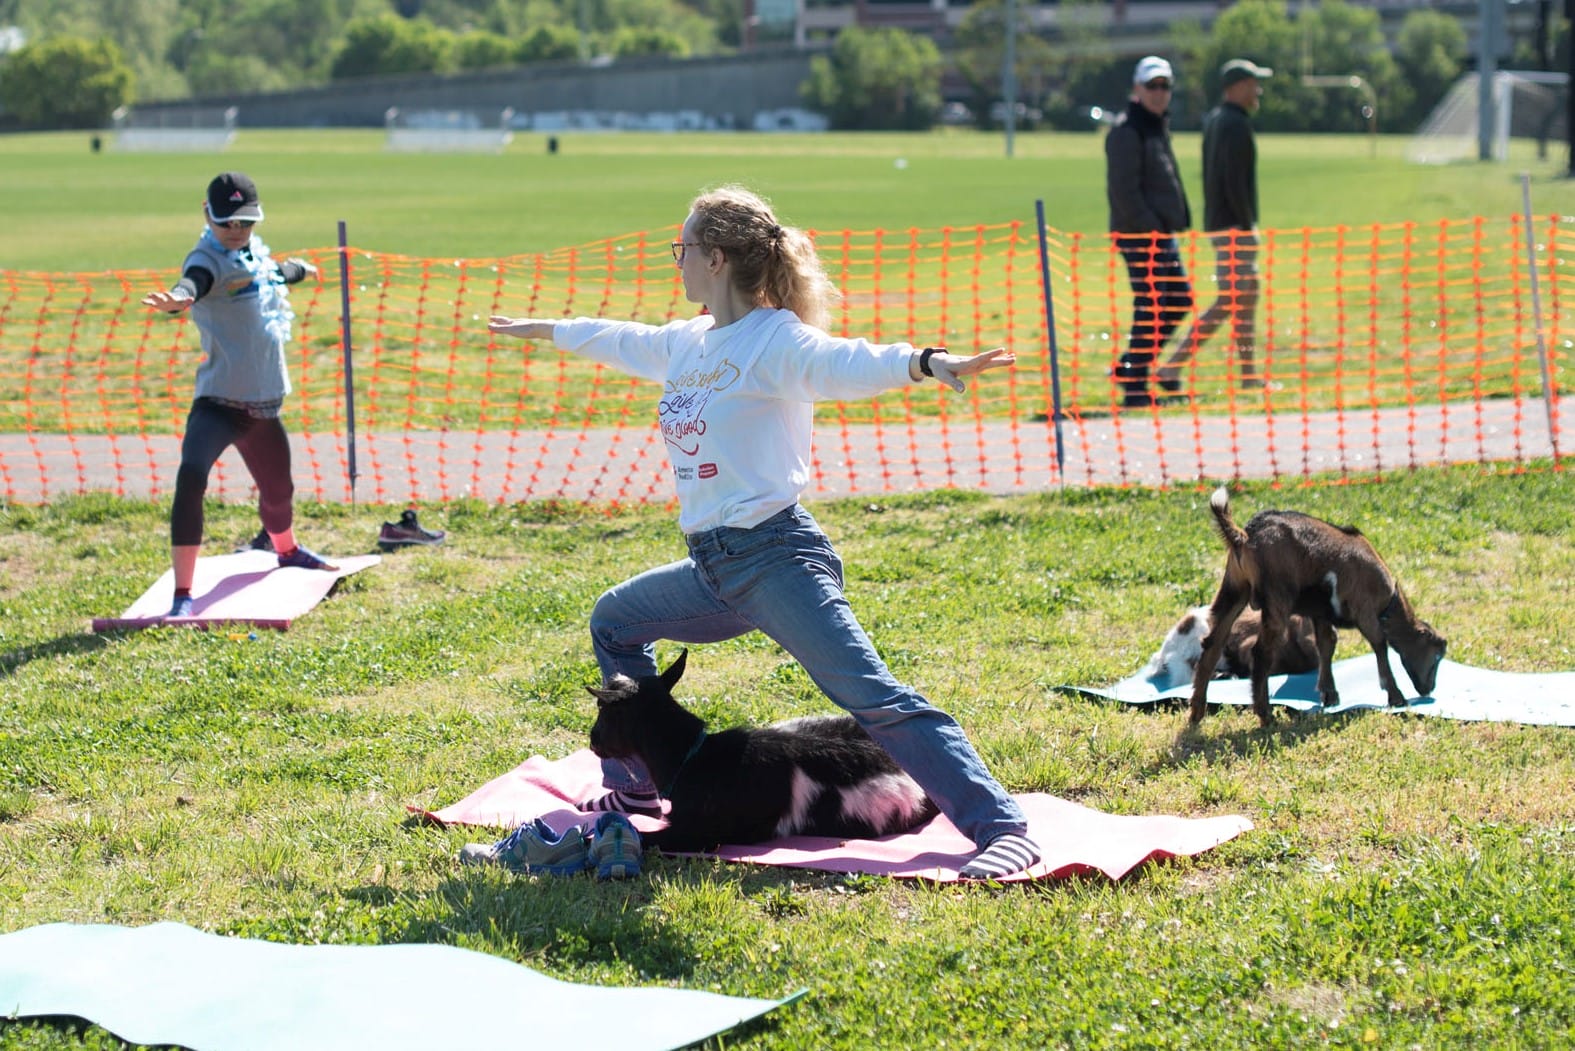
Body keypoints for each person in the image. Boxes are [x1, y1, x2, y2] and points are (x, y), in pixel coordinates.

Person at [487, 186, 1041, 881]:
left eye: (680, 248)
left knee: (873, 697)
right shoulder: (691, 342)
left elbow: (846, 361)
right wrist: (544, 328)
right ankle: (635, 784)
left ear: (714, 258)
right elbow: (620, 338)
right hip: (713, 568)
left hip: (776, 560)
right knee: (615, 623)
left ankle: (1000, 823)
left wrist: (926, 361)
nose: (676, 260)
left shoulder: (775, 339)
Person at [142, 171, 336, 619]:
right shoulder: (206, 259)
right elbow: (194, 284)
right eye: (226, 222)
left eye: (244, 223)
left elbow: (270, 275)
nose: (234, 231)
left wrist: (300, 270)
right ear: (207, 216)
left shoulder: (254, 255)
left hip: (264, 405)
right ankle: (183, 594)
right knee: (191, 475)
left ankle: (286, 550)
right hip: (219, 404)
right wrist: (177, 298)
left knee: (279, 491)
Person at [1158, 58, 1273, 394]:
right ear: (1236, 87)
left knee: (1247, 295)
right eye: (1253, 83)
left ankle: (1250, 374)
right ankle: (1171, 367)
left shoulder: (1217, 120)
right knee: (1230, 300)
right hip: (1234, 226)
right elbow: (1233, 180)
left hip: (1223, 224)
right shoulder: (1235, 124)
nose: (1258, 90)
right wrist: (1245, 223)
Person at [1105, 55, 1194, 408]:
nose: (1159, 92)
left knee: (1178, 302)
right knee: (1152, 306)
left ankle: (1132, 367)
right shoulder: (1127, 130)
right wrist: (1152, 229)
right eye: (1152, 86)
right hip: (1141, 236)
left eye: (1165, 86)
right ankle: (1135, 387)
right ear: (1137, 89)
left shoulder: (1155, 125)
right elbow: (1124, 192)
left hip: (1161, 234)